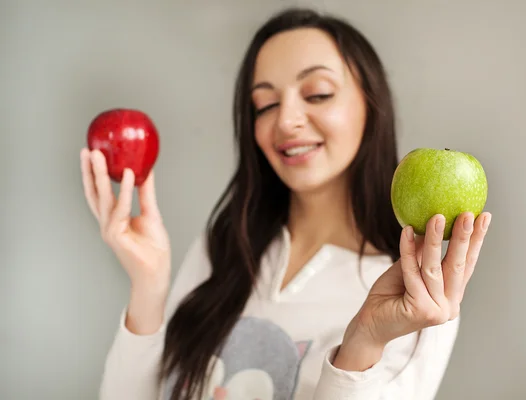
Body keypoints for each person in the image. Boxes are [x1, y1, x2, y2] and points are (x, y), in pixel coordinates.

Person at [80, 7, 491, 400]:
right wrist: (148, 287)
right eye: (266, 104)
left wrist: (364, 340)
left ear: (370, 105)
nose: (286, 120)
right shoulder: (224, 247)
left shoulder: (416, 291)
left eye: (317, 94)